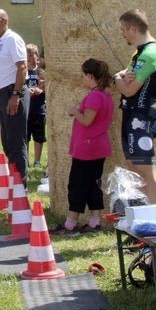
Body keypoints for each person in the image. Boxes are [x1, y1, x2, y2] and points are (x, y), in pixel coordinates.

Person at [57, 58, 115, 234]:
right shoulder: (105, 96)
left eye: (83, 75)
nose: (82, 78)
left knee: (77, 185)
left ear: (90, 76)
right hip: (97, 147)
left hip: (87, 148)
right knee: (92, 185)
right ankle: (94, 221)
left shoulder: (94, 96)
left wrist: (75, 111)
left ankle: (70, 223)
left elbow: (87, 120)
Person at [116, 9, 156, 204]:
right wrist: (121, 77)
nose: (122, 34)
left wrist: (117, 78)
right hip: (131, 115)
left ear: (132, 29)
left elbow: (129, 89)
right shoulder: (139, 53)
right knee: (135, 171)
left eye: (123, 30)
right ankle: (147, 213)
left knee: (146, 173)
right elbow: (125, 76)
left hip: (141, 117)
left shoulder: (150, 53)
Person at [0, 8, 29, 179]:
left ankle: (20, 186)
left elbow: (22, 67)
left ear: (4, 21)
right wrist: (1, 99)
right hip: (5, 92)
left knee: (16, 142)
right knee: (7, 141)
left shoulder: (12, 39)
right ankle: (14, 182)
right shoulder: (0, 41)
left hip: (14, 91)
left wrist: (15, 94)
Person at [25, 44, 46, 169]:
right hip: (26, 109)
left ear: (36, 56)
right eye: (26, 55)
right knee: (25, 136)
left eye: (30, 55)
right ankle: (26, 160)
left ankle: (37, 161)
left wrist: (40, 90)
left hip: (39, 109)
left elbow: (47, 86)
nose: (28, 58)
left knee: (39, 137)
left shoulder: (41, 72)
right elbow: (20, 85)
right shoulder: (23, 71)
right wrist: (26, 90)